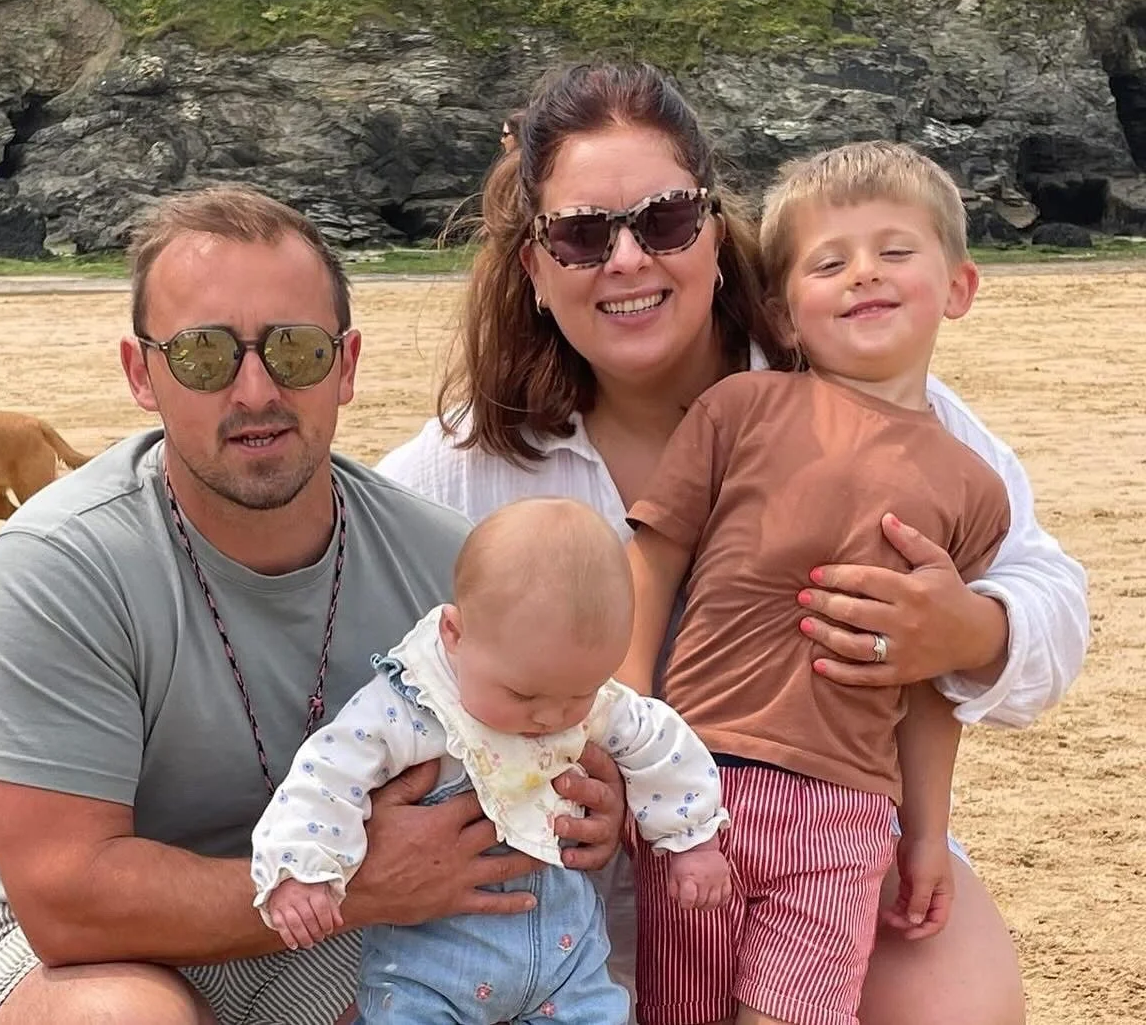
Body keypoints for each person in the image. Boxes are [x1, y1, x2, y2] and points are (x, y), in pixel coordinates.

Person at [376, 61, 1090, 1025]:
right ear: (535, 270)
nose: (627, 259)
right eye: (583, 235)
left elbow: (1052, 602)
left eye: (665, 219)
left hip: (828, 858)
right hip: (561, 912)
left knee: (955, 1002)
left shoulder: (867, 402)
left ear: (716, 238)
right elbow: (339, 609)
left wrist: (968, 632)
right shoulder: (461, 466)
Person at [0, 184, 628, 1025]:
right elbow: (67, 898)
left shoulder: (450, 564)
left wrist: (591, 805)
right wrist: (363, 884)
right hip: (103, 948)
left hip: (352, 922)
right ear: (141, 372)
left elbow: (560, 739)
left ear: (346, 365)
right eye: (203, 354)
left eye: (295, 350)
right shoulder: (64, 562)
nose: (256, 389)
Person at [619, 139, 1012, 1025]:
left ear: (957, 286)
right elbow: (651, 557)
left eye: (896, 251)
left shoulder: (973, 484)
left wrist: (924, 833)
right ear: (786, 316)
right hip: (696, 783)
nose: (864, 274)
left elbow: (932, 680)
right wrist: (632, 721)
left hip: (845, 814)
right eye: (830, 261)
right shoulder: (740, 410)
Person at [251, 496, 731, 1023]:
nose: (551, 717)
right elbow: (328, 772)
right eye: (524, 697)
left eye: (578, 696)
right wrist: (302, 867)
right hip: (431, 965)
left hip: (565, 958)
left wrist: (691, 838)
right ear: (456, 637)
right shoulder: (415, 703)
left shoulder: (585, 694)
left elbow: (659, 741)